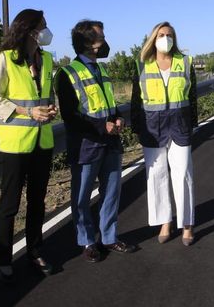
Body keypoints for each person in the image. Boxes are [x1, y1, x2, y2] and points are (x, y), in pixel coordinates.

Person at [56, 20, 136, 262]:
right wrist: (102, 126)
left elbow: (109, 104)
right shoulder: (67, 74)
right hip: (86, 145)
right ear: (87, 42)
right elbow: (70, 115)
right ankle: (87, 241)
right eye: (101, 37)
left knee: (111, 193)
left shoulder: (102, 69)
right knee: (81, 197)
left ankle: (109, 237)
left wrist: (118, 117)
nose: (104, 41)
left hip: (111, 142)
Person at [0, 9, 57, 283]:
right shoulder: (6, 59)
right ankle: (3, 259)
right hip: (15, 144)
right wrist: (28, 112)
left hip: (43, 140)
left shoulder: (47, 59)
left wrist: (51, 109)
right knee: (10, 204)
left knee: (37, 201)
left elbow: (46, 95)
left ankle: (35, 251)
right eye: (43, 26)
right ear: (29, 30)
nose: (47, 31)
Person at [130, 22, 198, 246]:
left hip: (180, 125)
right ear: (153, 38)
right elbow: (136, 99)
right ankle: (164, 222)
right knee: (156, 176)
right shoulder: (142, 64)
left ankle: (187, 224)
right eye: (161, 35)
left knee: (183, 174)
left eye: (169, 35)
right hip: (152, 127)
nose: (165, 38)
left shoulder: (185, 62)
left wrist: (193, 123)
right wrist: (137, 128)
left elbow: (192, 96)